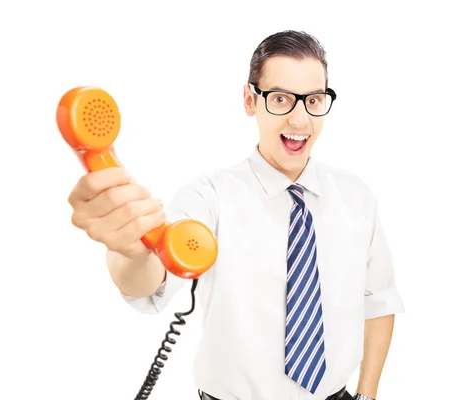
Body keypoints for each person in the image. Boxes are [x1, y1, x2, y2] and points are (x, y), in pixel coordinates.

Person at [67, 30, 405, 400]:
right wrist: (128, 249)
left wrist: (367, 395)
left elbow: (379, 299)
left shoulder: (356, 197)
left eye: (313, 100)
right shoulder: (209, 197)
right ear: (250, 100)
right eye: (280, 99)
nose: (299, 119)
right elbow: (153, 280)